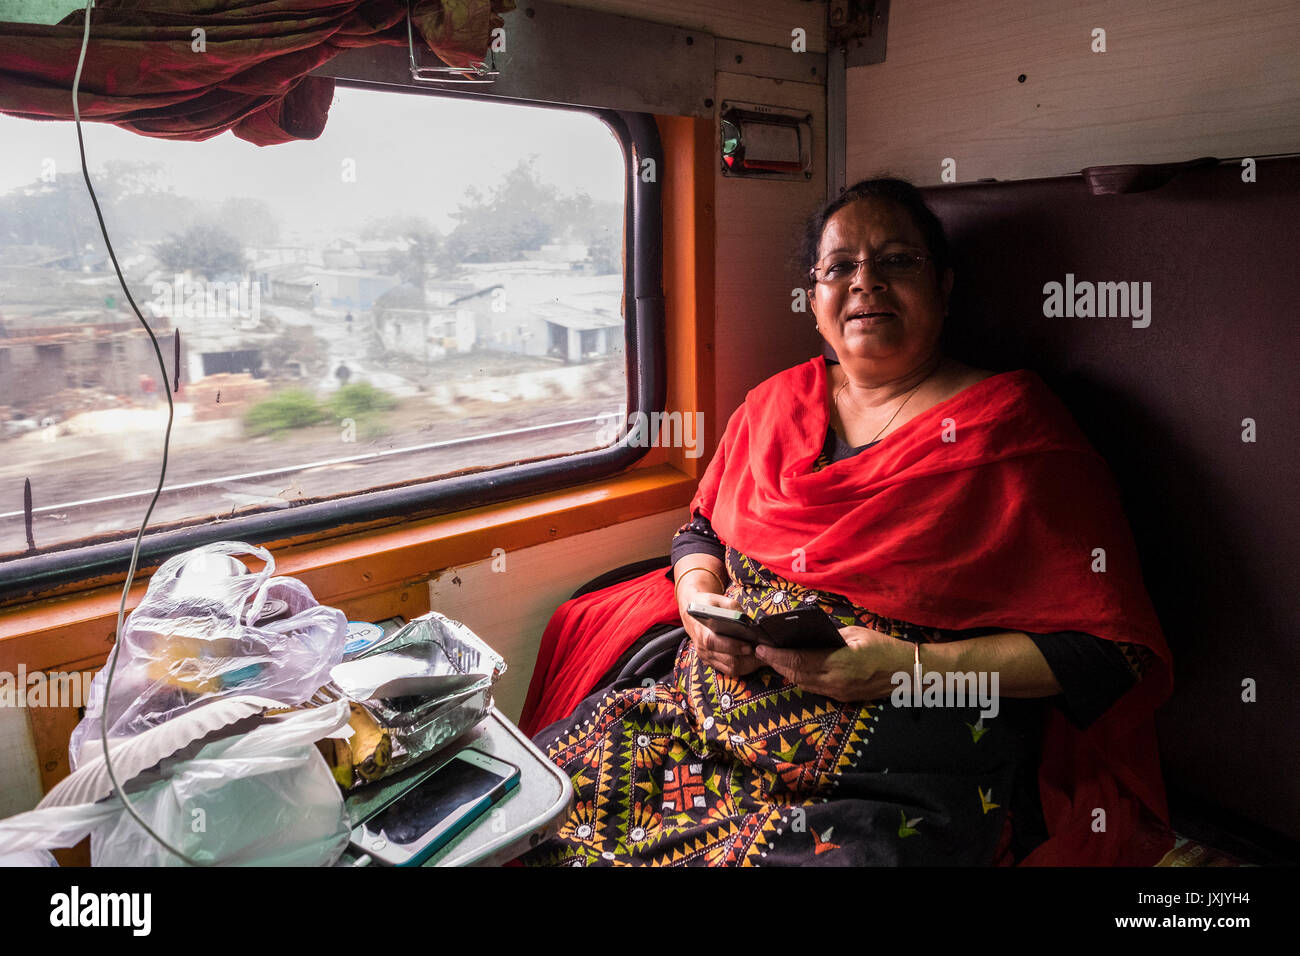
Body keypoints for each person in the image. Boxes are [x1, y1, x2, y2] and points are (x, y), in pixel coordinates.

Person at [518, 178, 1174, 867]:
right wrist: (697, 606)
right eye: (840, 267)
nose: (865, 283)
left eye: (896, 261)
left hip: (881, 788)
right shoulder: (774, 404)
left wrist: (911, 670)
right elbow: (702, 529)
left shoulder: (1013, 428)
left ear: (944, 288)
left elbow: (1110, 656)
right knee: (528, 810)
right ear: (814, 302)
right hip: (688, 726)